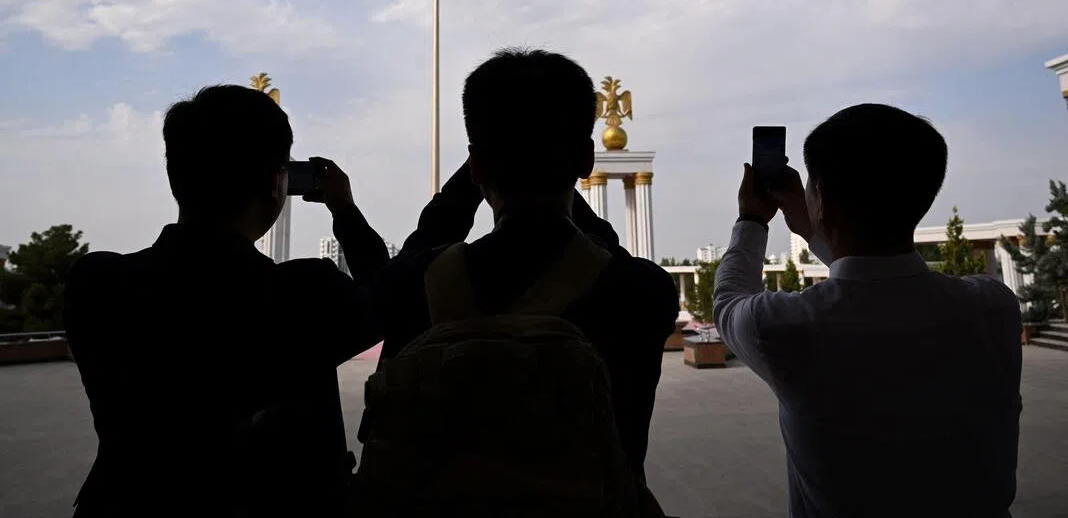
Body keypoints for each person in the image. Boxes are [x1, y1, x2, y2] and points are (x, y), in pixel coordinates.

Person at [355, 49, 679, 512]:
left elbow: (404, 261)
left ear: (477, 167)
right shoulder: (640, 292)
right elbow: (601, 248)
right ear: (587, 158)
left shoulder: (414, 283)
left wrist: (465, 186)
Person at [64, 84, 391, 517]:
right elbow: (386, 293)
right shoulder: (305, 295)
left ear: (175, 175)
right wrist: (344, 209)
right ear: (278, 182)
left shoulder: (96, 284)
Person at [713, 104, 1022, 518]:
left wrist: (753, 218)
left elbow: (729, 298)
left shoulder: (784, 327)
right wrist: (815, 224)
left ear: (820, 195)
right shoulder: (993, 307)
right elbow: (877, 276)